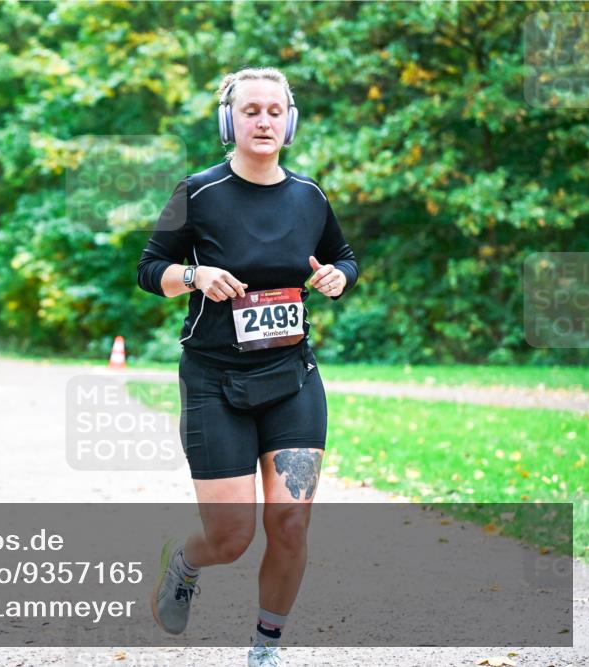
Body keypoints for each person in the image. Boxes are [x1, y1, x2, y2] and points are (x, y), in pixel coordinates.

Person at [136, 67, 358, 667]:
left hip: (293, 378)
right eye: (251, 110)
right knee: (232, 538)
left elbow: (342, 255)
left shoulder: (309, 196)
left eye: (274, 110)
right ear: (227, 120)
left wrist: (340, 278)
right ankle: (184, 562)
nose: (264, 120)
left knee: (288, 524)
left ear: (290, 120)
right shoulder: (198, 192)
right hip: (214, 382)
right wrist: (194, 275)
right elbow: (149, 268)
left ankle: (266, 647)